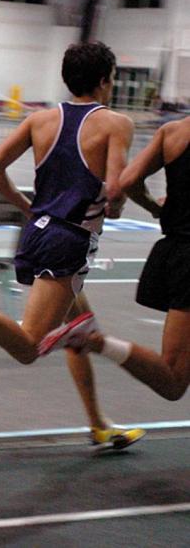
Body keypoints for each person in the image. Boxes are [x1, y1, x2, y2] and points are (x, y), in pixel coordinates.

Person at [0, 42, 145, 447]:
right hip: (68, 241)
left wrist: (26, 206)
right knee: (29, 345)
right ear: (106, 81)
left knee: (79, 328)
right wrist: (117, 207)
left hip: (36, 232)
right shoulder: (115, 123)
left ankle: (98, 424)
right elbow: (115, 185)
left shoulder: (41, 120)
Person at [82, 116, 189, 400]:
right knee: (174, 379)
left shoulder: (173, 132)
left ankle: (103, 345)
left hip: (178, 253)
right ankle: (101, 344)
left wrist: (155, 208)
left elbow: (128, 180)